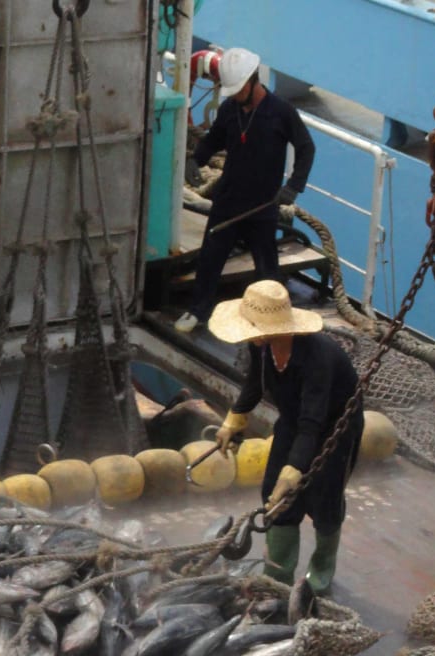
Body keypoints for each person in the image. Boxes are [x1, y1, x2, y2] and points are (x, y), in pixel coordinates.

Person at [208, 279, 362, 594]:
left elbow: (314, 421)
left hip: (335, 428)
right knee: (274, 497)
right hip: (294, 422)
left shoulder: (317, 358)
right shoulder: (261, 345)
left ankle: (321, 569)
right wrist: (234, 419)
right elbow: (255, 383)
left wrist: (294, 469)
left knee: (325, 499)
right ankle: (277, 577)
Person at [175, 47, 316, 333]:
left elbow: (306, 148)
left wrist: (294, 186)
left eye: (239, 89)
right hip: (228, 200)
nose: (236, 95)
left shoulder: (282, 112)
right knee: (210, 258)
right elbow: (213, 140)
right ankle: (198, 310)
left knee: (266, 266)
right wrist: (196, 159)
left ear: (254, 81)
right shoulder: (230, 110)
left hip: (263, 205)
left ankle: (275, 318)